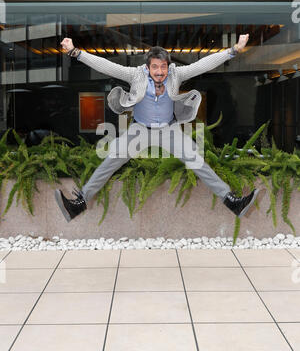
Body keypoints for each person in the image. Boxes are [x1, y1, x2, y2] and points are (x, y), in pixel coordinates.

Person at [55, 34, 259, 222]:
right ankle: (79, 204)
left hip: (169, 131)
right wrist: (75, 52)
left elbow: (202, 65)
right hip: (140, 130)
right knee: (110, 161)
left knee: (197, 161)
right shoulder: (136, 75)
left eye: (163, 67)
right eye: (155, 67)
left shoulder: (175, 74)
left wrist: (233, 50)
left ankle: (232, 202)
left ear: (168, 66)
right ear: (148, 67)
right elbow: (105, 65)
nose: (160, 72)